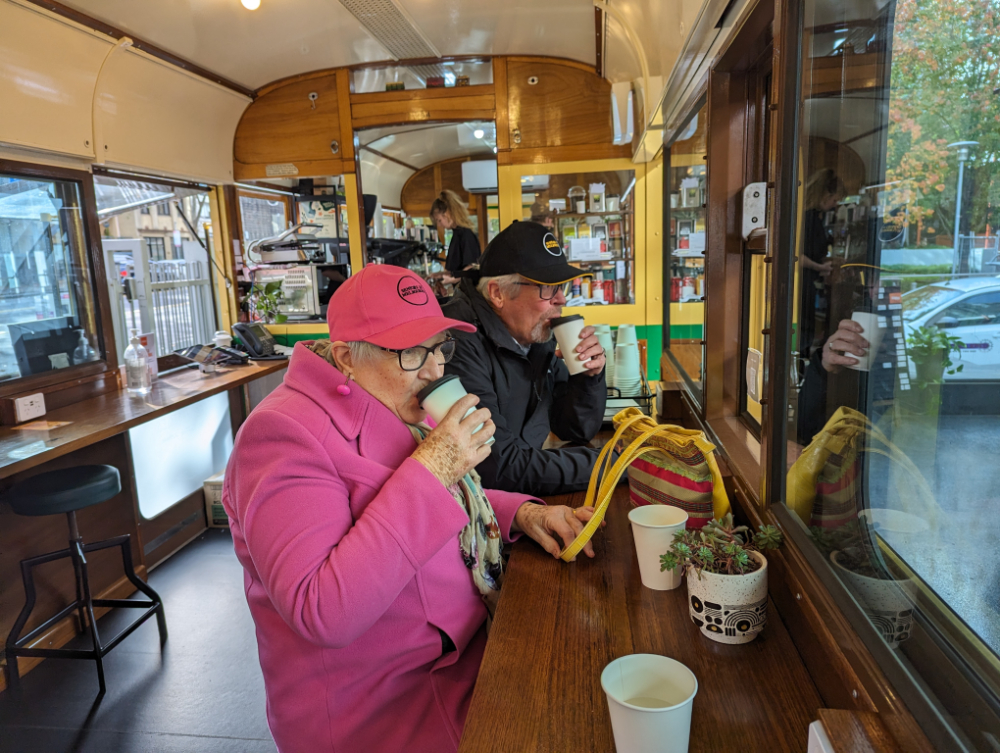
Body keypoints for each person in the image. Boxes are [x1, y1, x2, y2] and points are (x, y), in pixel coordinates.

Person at [223, 265, 600, 753]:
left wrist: (523, 514)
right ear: (345, 358)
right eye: (411, 352)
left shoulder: (386, 398)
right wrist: (437, 464)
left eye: (440, 347)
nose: (434, 370)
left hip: (463, 654)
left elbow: (445, 495)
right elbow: (322, 610)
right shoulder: (280, 436)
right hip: (382, 707)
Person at [442, 220, 608, 496]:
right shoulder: (455, 340)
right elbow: (498, 465)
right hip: (475, 510)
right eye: (547, 287)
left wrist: (588, 378)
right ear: (498, 293)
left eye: (562, 286)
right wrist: (613, 465)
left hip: (520, 494)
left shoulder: (533, 333)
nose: (561, 299)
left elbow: (574, 428)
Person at [799, 169, 845, 357]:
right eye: (834, 200)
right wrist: (821, 267)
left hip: (807, 283)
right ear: (825, 195)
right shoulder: (808, 218)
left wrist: (829, 261)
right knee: (805, 331)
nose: (835, 205)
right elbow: (796, 256)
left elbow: (811, 252)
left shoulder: (814, 217)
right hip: (801, 284)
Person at [431, 189, 481, 284]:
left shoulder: (466, 234)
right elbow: (458, 270)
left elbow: (471, 268)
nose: (439, 225)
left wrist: (452, 280)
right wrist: (440, 275)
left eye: (439, 220)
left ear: (448, 214)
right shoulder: (457, 234)